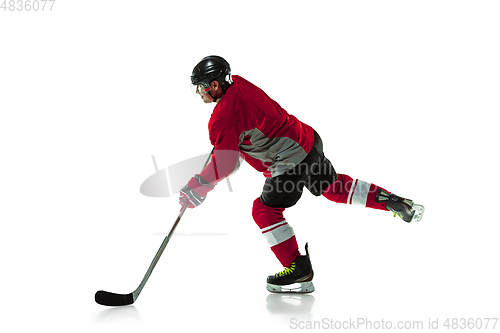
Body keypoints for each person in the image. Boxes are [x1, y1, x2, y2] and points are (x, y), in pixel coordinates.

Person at [179, 55, 424, 293]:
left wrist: (198, 186)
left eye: (200, 88)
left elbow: (227, 162)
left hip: (289, 163)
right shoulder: (240, 84)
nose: (199, 93)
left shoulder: (222, 117)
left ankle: (297, 268)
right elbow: (238, 142)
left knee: (264, 210)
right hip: (308, 141)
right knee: (335, 188)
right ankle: (393, 201)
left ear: (214, 85)